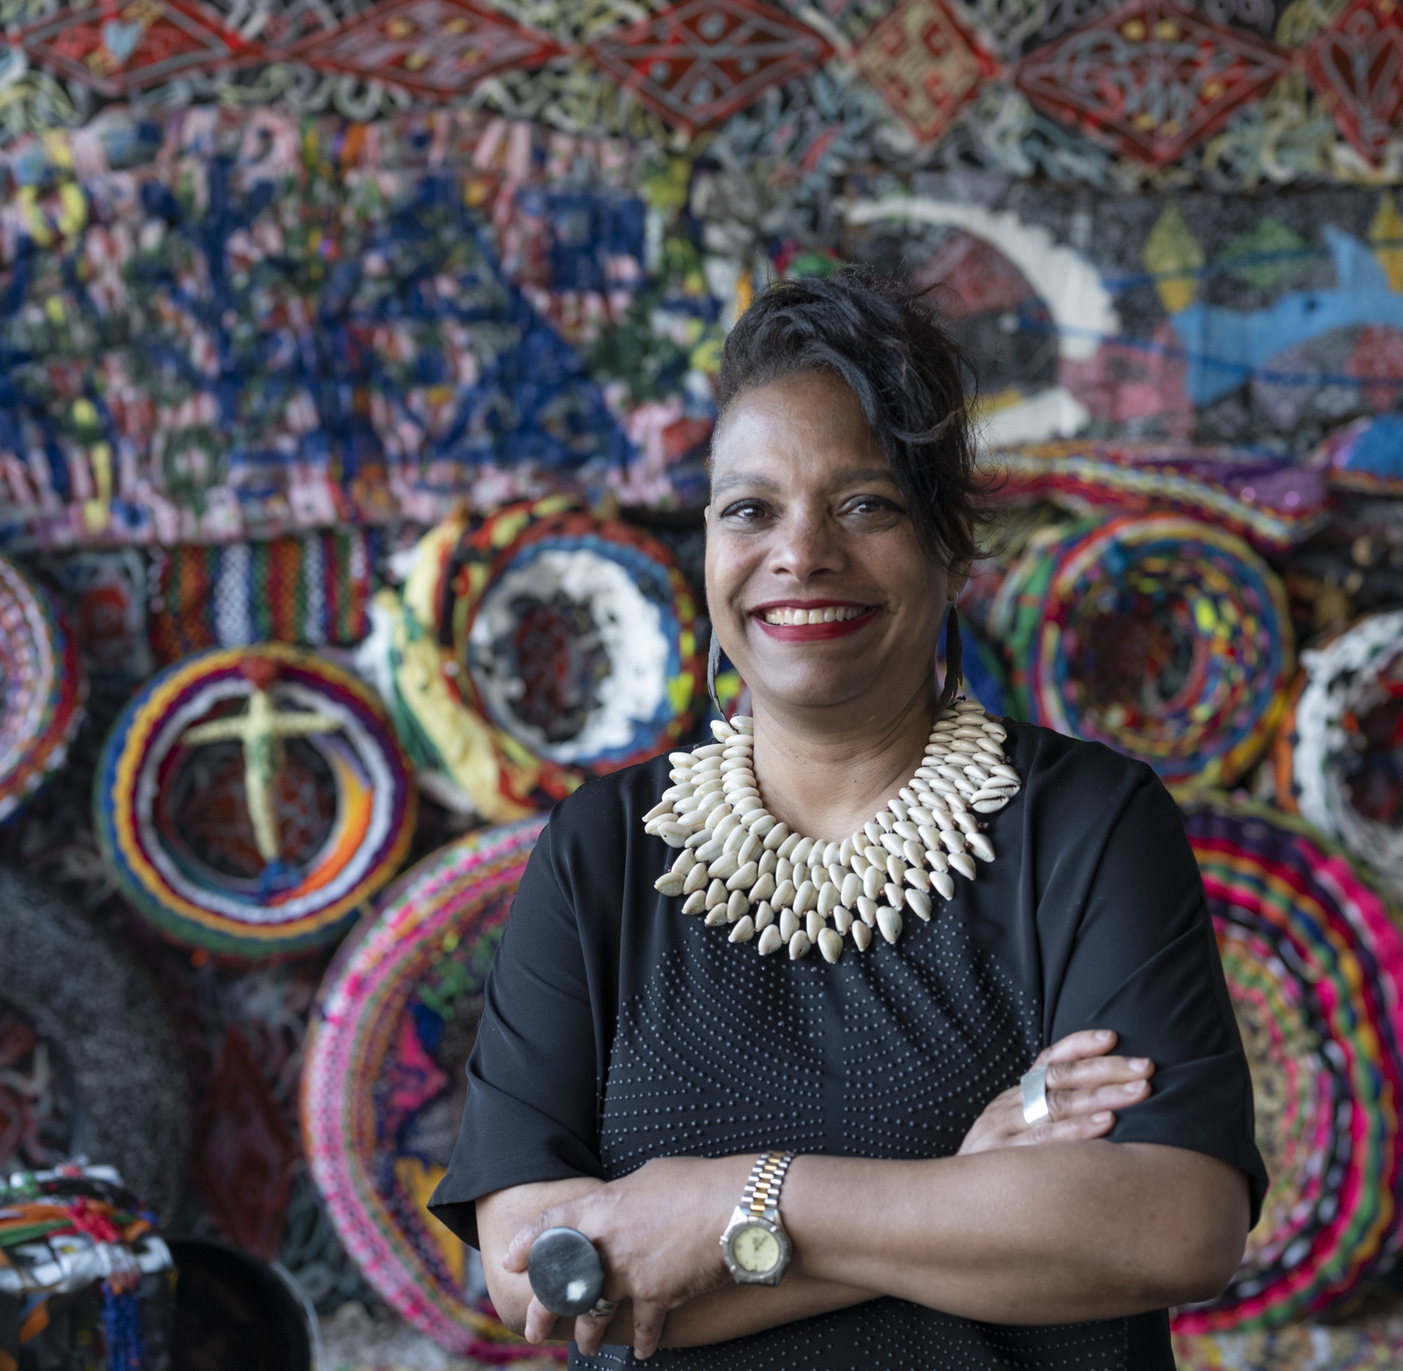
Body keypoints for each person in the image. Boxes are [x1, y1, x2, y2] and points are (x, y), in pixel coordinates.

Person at [429, 268, 1266, 1369]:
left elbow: (1175, 1225)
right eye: (749, 509)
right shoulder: (604, 852)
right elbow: (539, 1276)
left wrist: (732, 1203)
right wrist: (963, 1201)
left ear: (949, 550)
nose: (800, 551)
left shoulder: (1086, 827)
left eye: (864, 504)